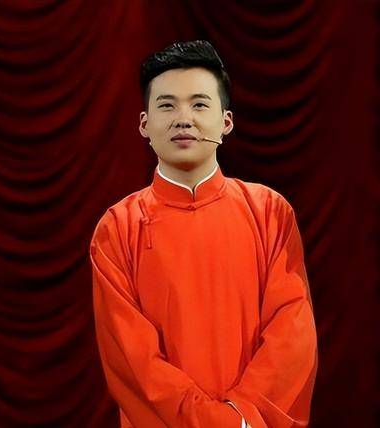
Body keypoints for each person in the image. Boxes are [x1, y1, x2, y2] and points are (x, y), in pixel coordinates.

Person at [90, 40, 317, 428]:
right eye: (167, 106)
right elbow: (132, 360)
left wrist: (242, 417)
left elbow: (291, 332)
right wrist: (219, 421)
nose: (184, 119)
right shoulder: (117, 228)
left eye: (199, 104)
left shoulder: (270, 212)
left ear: (226, 122)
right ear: (144, 124)